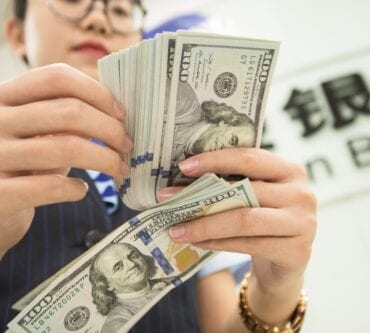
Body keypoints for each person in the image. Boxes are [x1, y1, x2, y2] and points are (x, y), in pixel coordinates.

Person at [0, 0, 317, 333]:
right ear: (17, 34)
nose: (98, 20)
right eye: (71, 1)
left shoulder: (190, 173)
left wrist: (276, 291)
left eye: (120, 11)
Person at [170, 81, 256, 184]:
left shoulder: (184, 172)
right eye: (232, 140)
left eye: (232, 153)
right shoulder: (185, 104)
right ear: (224, 122)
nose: (226, 149)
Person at [89, 243, 171, 332]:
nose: (132, 264)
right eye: (118, 267)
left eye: (133, 256)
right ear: (107, 285)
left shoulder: (171, 281)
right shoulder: (117, 322)